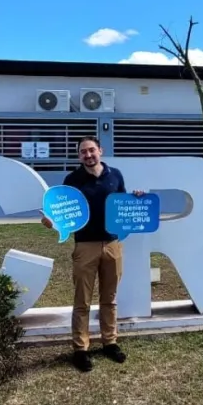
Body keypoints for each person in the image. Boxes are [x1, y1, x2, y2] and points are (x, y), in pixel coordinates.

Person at [41, 136, 143, 372]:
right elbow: (62, 213)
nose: (88, 155)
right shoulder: (72, 180)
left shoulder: (115, 175)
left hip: (112, 244)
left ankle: (110, 342)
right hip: (85, 246)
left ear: (100, 151)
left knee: (110, 298)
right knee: (82, 301)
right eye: (83, 152)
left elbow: (123, 205)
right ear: (79, 156)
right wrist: (51, 222)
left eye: (91, 150)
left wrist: (136, 198)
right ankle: (81, 348)